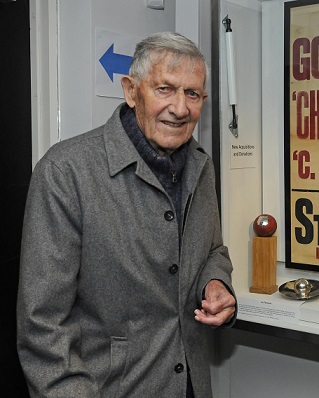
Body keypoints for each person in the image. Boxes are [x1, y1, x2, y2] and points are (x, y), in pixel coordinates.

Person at [17, 32, 236, 398]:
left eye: (193, 94)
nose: (180, 108)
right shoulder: (65, 172)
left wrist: (216, 284)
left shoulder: (201, 166)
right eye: (165, 89)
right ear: (132, 91)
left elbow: (212, 250)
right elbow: (43, 327)